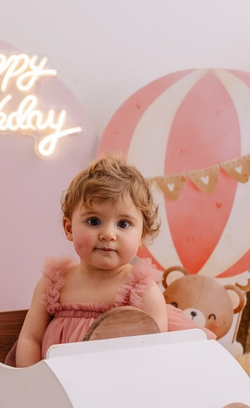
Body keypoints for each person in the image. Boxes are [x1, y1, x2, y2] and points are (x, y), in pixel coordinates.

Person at [13, 155, 215, 367]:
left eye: (123, 224)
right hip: (54, 388)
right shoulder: (54, 284)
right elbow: (30, 338)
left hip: (118, 390)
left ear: (142, 236)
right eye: (94, 221)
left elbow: (153, 359)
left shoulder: (142, 292)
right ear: (69, 228)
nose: (108, 234)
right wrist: (31, 384)